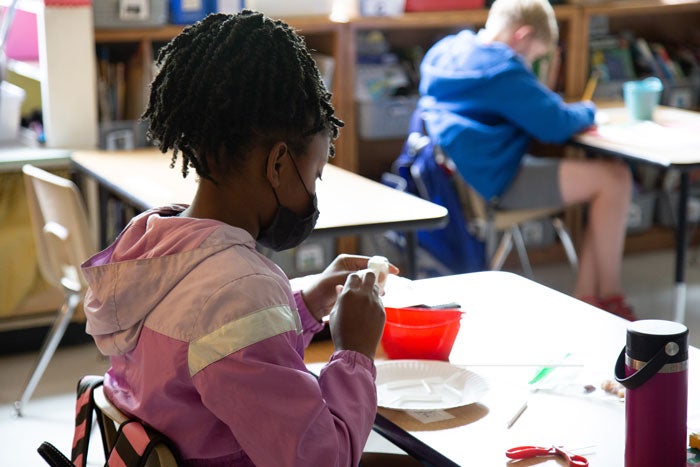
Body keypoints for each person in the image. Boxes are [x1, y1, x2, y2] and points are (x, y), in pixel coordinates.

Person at [80, 11, 419, 467]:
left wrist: (306, 305)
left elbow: (212, 347)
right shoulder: (240, 290)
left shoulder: (151, 242)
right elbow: (326, 459)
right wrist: (354, 349)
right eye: (314, 176)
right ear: (278, 164)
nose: (314, 195)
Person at [417, 0, 636, 320]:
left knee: (606, 180)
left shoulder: (445, 50)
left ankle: (590, 298)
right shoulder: (502, 68)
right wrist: (589, 109)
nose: (531, 63)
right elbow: (555, 123)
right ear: (521, 35)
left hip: (454, 178)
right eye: (535, 56)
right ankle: (609, 295)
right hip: (495, 182)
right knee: (614, 179)